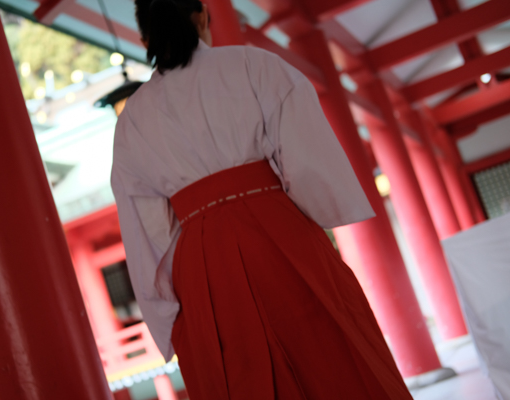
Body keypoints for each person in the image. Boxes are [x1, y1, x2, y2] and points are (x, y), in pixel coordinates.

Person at [111, 0, 413, 398]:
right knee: (330, 353)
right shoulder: (255, 66)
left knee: (238, 371)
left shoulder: (133, 118)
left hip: (202, 260)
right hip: (276, 229)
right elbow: (306, 165)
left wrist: (164, 306)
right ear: (201, 15)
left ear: (145, 37)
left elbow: (146, 226)